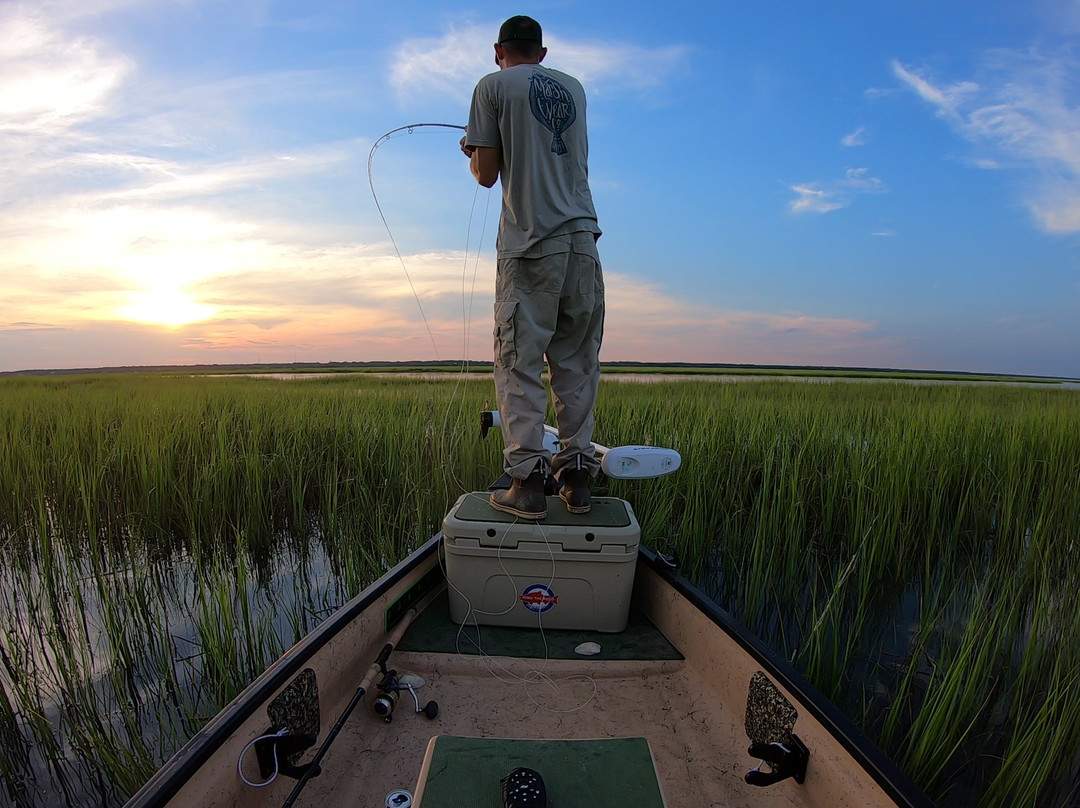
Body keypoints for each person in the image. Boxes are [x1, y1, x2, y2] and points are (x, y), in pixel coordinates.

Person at [461, 15, 604, 520]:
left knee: (518, 362)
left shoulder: (492, 86)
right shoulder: (574, 89)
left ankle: (525, 483)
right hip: (584, 242)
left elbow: (485, 174)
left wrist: (472, 148)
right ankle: (577, 479)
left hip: (529, 245)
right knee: (576, 363)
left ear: (497, 51)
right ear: (542, 53)